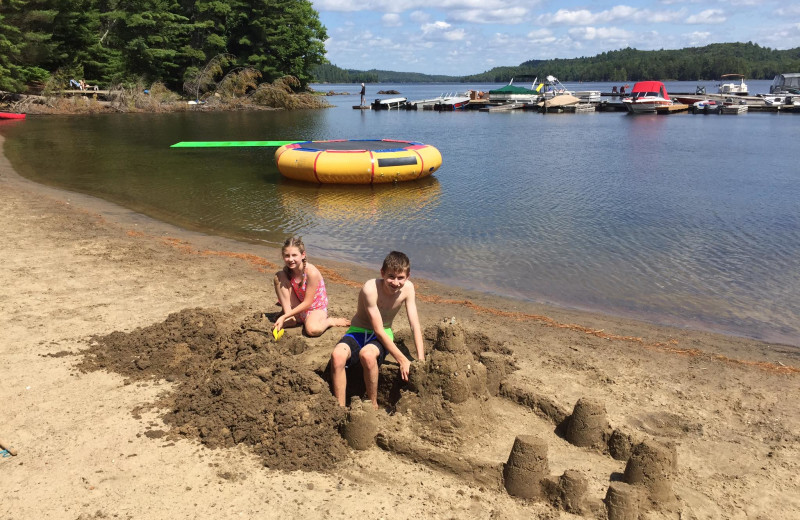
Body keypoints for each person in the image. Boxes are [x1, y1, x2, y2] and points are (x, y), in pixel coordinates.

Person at [330, 251, 425, 408]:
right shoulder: (370, 289)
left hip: (383, 333)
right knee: (337, 355)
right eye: (391, 276)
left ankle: (373, 405)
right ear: (382, 273)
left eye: (400, 277)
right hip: (358, 331)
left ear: (407, 276)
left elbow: (414, 325)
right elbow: (377, 329)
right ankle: (339, 408)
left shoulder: (408, 289)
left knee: (367, 355)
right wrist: (402, 359)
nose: (395, 282)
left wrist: (420, 360)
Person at [273, 236, 350, 337]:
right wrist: (287, 314)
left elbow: (308, 303)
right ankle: (291, 319)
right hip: (298, 305)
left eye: (294, 255)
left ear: (303, 255)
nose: (290, 259)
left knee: (313, 330)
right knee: (278, 277)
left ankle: (330, 321)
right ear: (283, 256)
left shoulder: (311, 272)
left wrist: (284, 316)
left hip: (314, 308)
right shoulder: (288, 271)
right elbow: (286, 292)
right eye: (287, 256)